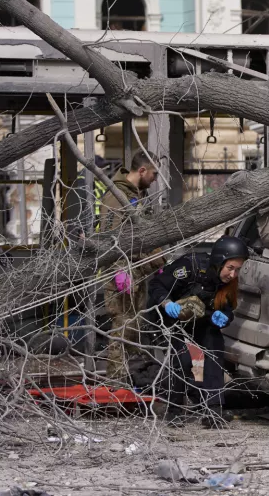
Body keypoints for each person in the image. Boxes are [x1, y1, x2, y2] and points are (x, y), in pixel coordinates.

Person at [148, 236, 248, 428]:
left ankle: (213, 412)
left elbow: (228, 308)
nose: (233, 274)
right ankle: (174, 411)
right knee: (182, 359)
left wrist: (225, 317)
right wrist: (167, 303)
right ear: (219, 262)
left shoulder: (228, 282)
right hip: (172, 320)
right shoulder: (190, 266)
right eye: (230, 268)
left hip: (202, 321)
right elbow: (156, 285)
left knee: (214, 351)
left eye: (238, 269)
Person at [99, 151, 166, 382]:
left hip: (138, 270)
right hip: (121, 271)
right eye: (154, 174)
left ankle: (134, 377)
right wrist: (119, 269)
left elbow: (144, 235)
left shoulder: (138, 195)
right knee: (122, 327)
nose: (156, 178)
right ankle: (116, 381)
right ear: (142, 170)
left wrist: (156, 259)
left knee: (134, 326)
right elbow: (110, 237)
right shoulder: (116, 197)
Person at [66, 155, 109, 240]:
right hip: (87, 232)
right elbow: (77, 208)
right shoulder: (82, 182)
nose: (104, 172)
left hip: (97, 230)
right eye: (101, 169)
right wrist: (81, 230)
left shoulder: (97, 182)